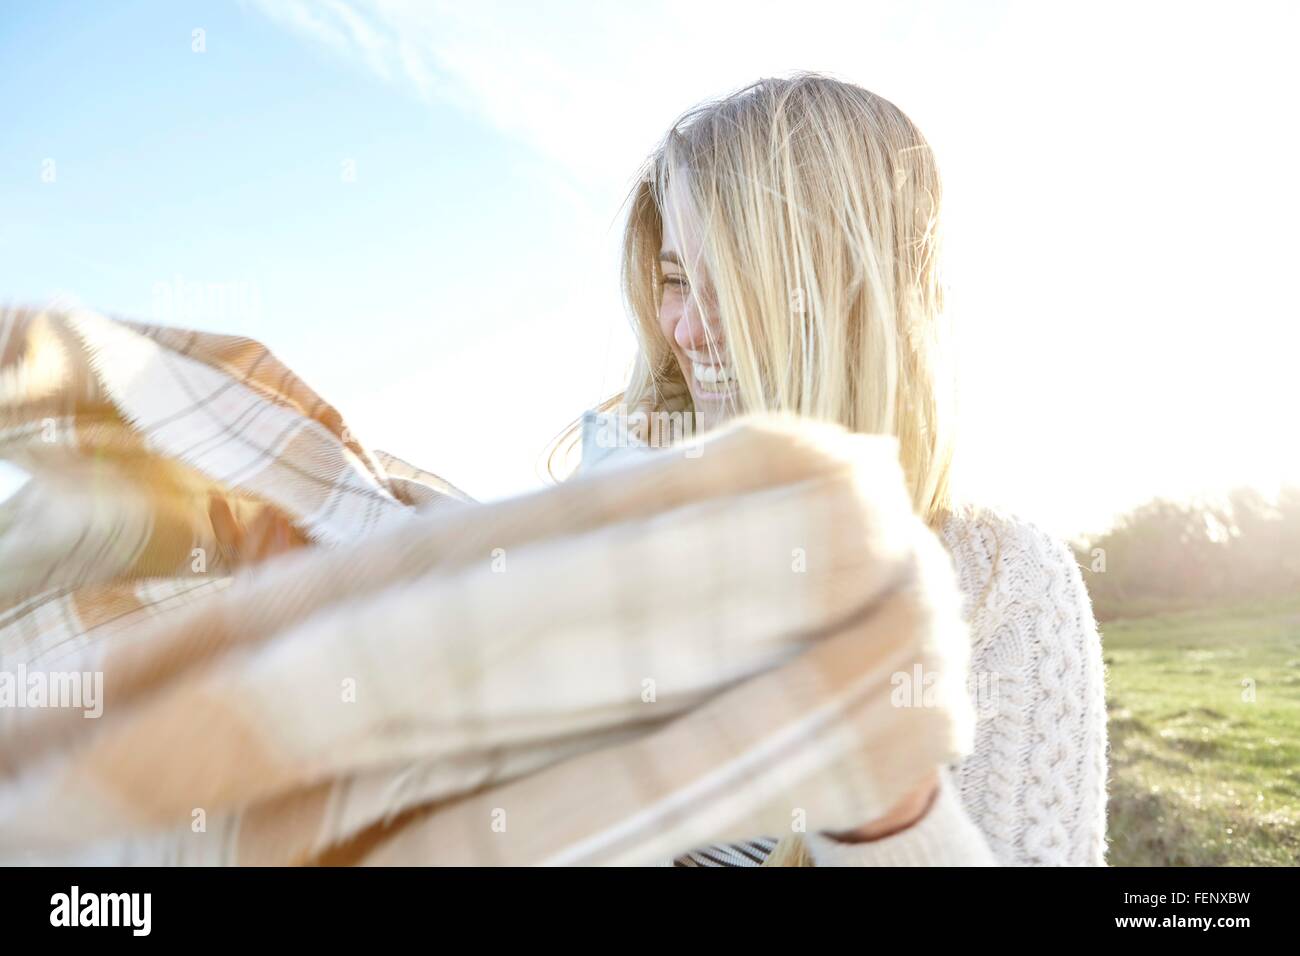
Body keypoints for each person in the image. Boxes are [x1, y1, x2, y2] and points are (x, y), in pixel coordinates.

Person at [565, 73, 1108, 866]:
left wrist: (885, 812)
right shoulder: (605, 538)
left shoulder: (1003, 586)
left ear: (852, 300)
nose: (686, 327)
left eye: (740, 287)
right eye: (677, 279)